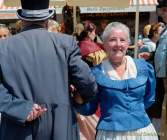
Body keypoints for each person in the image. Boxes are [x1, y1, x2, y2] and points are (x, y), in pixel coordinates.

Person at [0, 0, 98, 140]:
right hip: (60, 124)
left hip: (17, 127)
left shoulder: (3, 48)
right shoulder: (66, 43)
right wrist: (78, 97)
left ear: (22, 20)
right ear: (47, 19)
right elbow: (88, 83)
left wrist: (20, 109)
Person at [75, 22, 158, 140]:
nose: (118, 44)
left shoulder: (144, 68)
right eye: (112, 40)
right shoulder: (95, 73)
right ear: (104, 44)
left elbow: (149, 99)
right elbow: (89, 108)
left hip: (143, 132)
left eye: (123, 40)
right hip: (111, 134)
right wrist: (78, 99)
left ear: (128, 43)